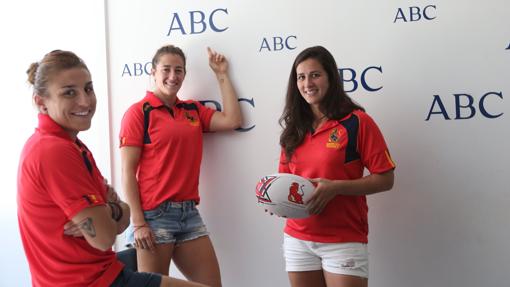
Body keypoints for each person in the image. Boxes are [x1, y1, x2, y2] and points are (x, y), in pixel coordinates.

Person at [17, 50, 207, 287]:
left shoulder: (72, 145)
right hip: (91, 281)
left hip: (103, 270)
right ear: (40, 102)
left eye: (88, 89)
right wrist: (117, 212)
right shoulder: (53, 150)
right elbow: (105, 236)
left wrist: (112, 211)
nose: (85, 101)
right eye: (69, 93)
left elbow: (116, 219)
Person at [119, 45, 242, 287]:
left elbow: (233, 120)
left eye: (179, 70)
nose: (173, 76)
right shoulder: (138, 113)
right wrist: (139, 223)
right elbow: (127, 173)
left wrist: (221, 74)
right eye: (166, 69)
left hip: (189, 214)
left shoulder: (192, 110)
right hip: (153, 217)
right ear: (153, 72)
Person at [278, 46, 396, 287]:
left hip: (343, 240)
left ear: (331, 77)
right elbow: (286, 181)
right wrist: (276, 201)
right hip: (297, 238)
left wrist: (336, 187)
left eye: (315, 75)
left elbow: (386, 178)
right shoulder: (294, 128)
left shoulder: (357, 122)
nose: (307, 83)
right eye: (301, 77)